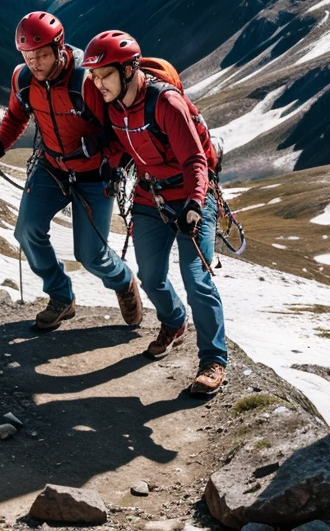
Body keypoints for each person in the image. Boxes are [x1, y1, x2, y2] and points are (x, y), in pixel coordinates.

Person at [82, 30, 227, 396]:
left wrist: (195, 203)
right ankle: (174, 322)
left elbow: (196, 159)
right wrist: (111, 163)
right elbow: (124, 140)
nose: (98, 84)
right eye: (95, 77)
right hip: (151, 195)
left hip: (192, 197)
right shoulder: (113, 104)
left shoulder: (166, 103)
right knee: (149, 274)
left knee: (196, 277)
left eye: (104, 75)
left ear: (129, 69)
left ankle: (213, 359)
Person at [0, 11, 142, 333]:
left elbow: (121, 129)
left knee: (91, 254)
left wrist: (101, 152)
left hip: (94, 175)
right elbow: (15, 117)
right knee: (26, 231)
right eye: (28, 56)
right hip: (51, 166)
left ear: (60, 47)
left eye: (42, 55)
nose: (35, 64)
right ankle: (61, 297)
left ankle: (123, 282)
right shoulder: (22, 79)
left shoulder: (87, 81)